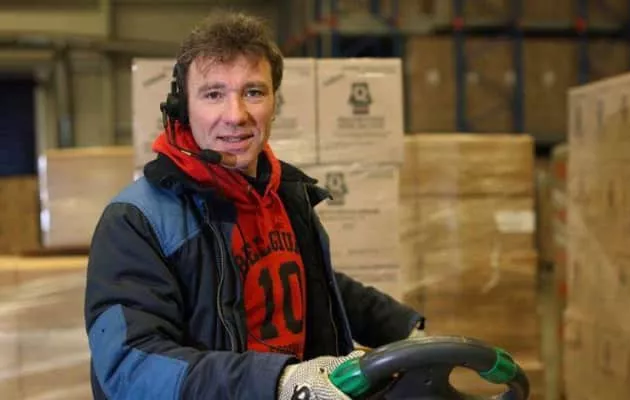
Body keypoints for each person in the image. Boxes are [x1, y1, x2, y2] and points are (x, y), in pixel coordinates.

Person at [83, 10, 424, 400]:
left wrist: (407, 332)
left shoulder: (285, 194)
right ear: (182, 108)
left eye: (253, 92)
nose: (236, 116)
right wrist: (277, 382)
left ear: (275, 103)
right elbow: (129, 365)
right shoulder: (136, 220)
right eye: (213, 94)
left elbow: (312, 283)